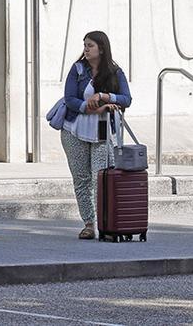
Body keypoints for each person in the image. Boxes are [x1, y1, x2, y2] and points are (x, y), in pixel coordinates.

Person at [57, 31, 132, 240]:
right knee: (81, 179)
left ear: (101, 48)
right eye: (85, 45)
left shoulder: (115, 72)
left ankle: (106, 224)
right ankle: (88, 223)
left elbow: (127, 99)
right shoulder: (78, 69)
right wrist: (92, 108)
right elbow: (69, 98)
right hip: (74, 129)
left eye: (90, 45)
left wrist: (105, 96)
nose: (86, 49)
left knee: (101, 178)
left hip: (102, 132)